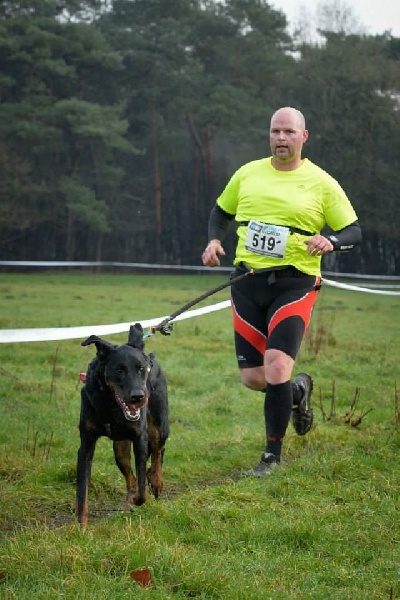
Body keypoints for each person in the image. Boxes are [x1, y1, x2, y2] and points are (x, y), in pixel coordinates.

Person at [201, 106, 361, 476]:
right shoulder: (248, 173)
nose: (281, 138)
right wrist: (213, 240)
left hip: (295, 283)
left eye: (289, 132)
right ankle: (297, 392)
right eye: (275, 131)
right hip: (247, 282)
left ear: (304, 136)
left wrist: (331, 241)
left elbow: (353, 230)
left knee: (276, 364)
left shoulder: (321, 182)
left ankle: (271, 458)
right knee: (254, 378)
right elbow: (220, 212)